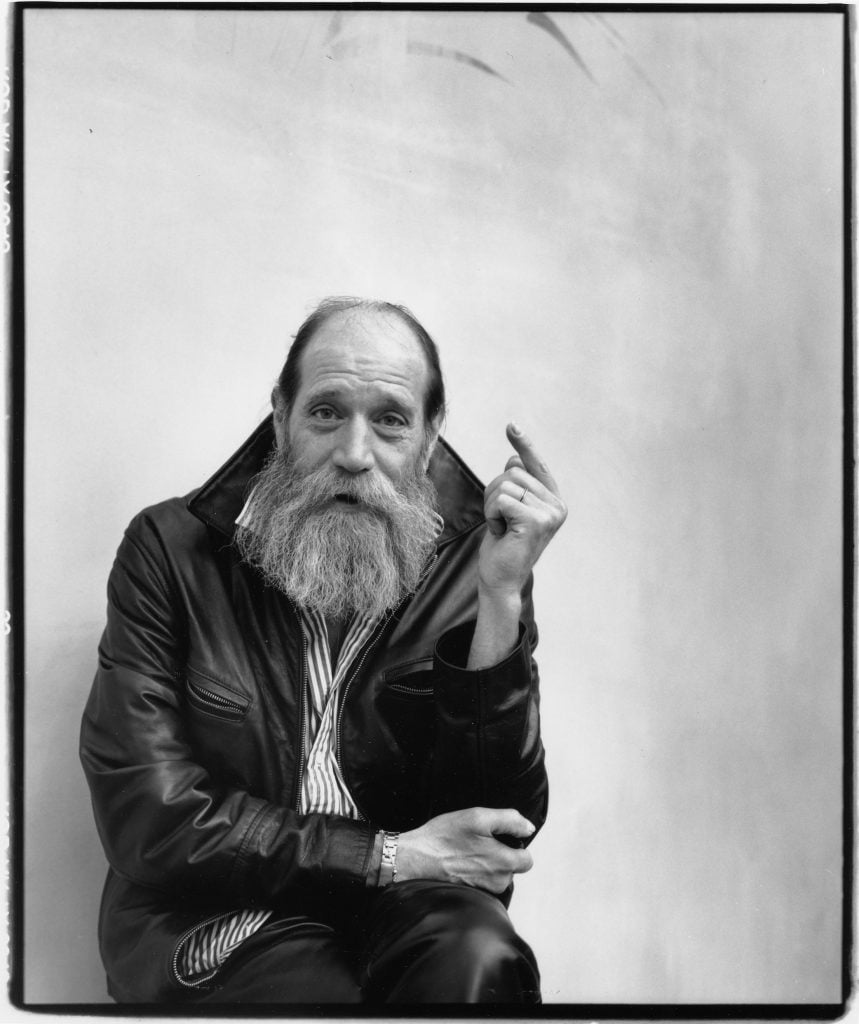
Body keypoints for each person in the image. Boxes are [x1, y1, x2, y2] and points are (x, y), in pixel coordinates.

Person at [80, 296, 567, 1005]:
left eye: (391, 420)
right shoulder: (169, 550)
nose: (353, 453)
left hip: (403, 910)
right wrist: (386, 856)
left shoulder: (479, 565)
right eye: (326, 412)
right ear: (281, 417)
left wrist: (501, 597)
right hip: (207, 912)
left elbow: (497, 828)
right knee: (330, 997)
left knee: (481, 959)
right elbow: (148, 815)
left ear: (431, 438)